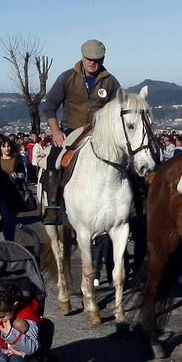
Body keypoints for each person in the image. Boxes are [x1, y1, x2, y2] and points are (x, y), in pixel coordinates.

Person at [39, 39, 123, 225]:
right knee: (54, 158)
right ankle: (53, 204)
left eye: (97, 59)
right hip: (72, 130)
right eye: (89, 58)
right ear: (82, 57)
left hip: (100, 133)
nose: (93, 62)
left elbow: (120, 108)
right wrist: (55, 131)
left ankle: (129, 204)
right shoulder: (67, 77)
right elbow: (50, 106)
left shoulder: (110, 81)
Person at [0, 137, 29, 242]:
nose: (7, 148)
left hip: (14, 193)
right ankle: (9, 242)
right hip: (0, 194)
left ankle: (10, 241)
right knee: (7, 218)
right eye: (4, 146)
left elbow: (23, 174)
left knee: (11, 219)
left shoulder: (17, 158)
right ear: (0, 148)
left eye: (8, 146)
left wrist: (17, 175)